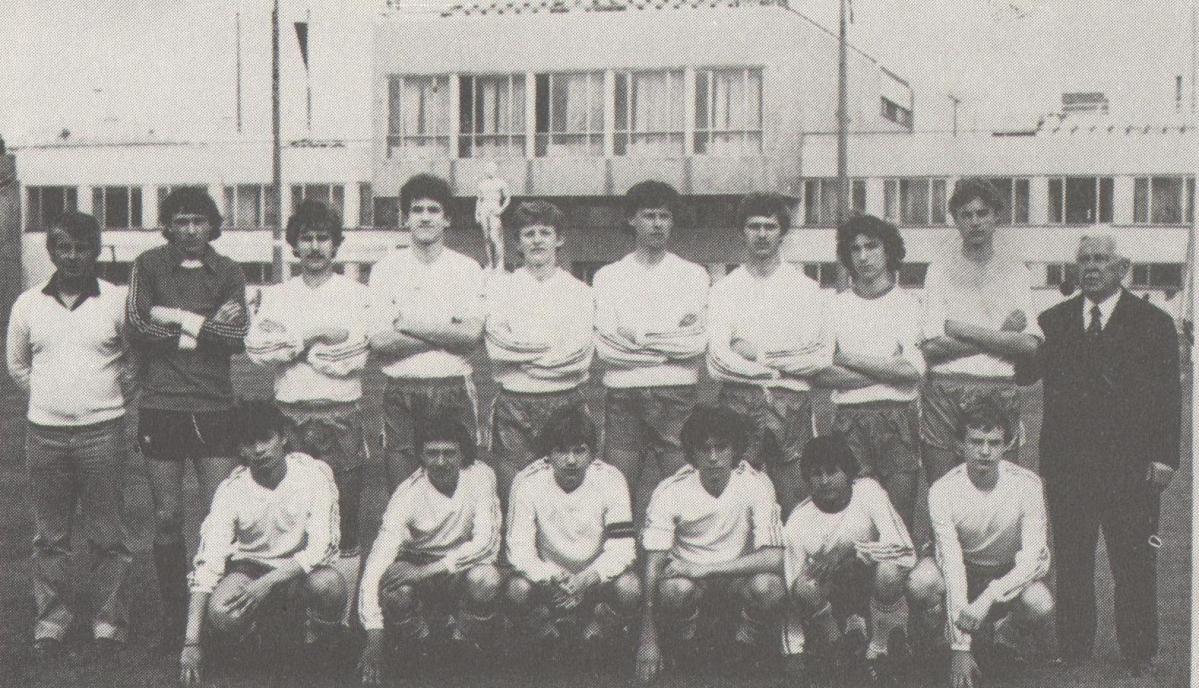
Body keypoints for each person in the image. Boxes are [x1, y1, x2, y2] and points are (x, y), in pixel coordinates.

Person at [1030, 234, 1179, 675]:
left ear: (1122, 267)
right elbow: (1023, 374)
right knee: (1073, 561)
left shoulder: (1153, 323)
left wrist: (1165, 458)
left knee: (1133, 561)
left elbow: (1169, 396)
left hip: (1130, 467)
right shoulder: (1053, 321)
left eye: (1101, 259)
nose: (1091, 267)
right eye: (1084, 260)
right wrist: (1010, 330)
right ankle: (1074, 647)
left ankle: (1138, 651)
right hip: (1068, 466)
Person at [6, 212, 134, 662]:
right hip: (45, 435)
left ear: (95, 251)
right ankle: (51, 623)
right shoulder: (27, 304)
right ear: (52, 251)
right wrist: (51, 399)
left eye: (82, 248)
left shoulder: (117, 300)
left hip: (103, 433)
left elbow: (133, 362)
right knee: (50, 537)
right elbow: (18, 365)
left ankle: (108, 624)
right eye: (64, 247)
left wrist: (102, 401)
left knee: (108, 536)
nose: (73, 256)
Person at [125, 187, 249, 652]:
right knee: (167, 516)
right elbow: (139, 327)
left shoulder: (229, 270)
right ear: (168, 226)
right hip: (162, 407)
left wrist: (175, 318)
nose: (191, 229)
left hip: (216, 408)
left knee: (219, 517)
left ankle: (218, 614)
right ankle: (175, 617)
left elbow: (235, 338)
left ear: (212, 226)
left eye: (199, 221)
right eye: (181, 221)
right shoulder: (148, 265)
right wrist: (203, 325)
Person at [245, 199, 369, 599]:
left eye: (323, 238)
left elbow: (353, 357)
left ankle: (342, 610)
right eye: (307, 238)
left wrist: (293, 347)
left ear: (336, 244)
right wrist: (315, 338)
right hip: (289, 417)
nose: (315, 247)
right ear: (294, 244)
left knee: (344, 517)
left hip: (340, 415)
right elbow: (261, 351)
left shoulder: (356, 294)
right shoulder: (278, 295)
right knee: (292, 516)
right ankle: (294, 606)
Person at [178, 401, 344, 687]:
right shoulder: (231, 490)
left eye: (266, 438)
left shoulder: (314, 474)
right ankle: (256, 636)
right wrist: (191, 642)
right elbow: (208, 562)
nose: (259, 450)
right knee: (221, 611)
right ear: (240, 449)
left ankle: (320, 644)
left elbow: (322, 547)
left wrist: (267, 583)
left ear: (283, 437)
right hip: (249, 569)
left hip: (298, 571)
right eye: (249, 443)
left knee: (330, 585)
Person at [907, 398, 1053, 688]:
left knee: (1040, 601)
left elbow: (1032, 561)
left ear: (1007, 445)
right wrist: (960, 648)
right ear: (960, 445)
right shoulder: (943, 490)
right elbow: (952, 564)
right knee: (921, 581)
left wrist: (988, 598)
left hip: (1006, 573)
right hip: (964, 569)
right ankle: (940, 644)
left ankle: (1004, 638)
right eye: (976, 442)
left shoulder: (1028, 485)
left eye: (994, 443)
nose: (985, 451)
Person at [635, 406, 785, 685]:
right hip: (691, 585)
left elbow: (775, 557)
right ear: (692, 453)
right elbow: (653, 564)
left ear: (735, 449)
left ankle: (744, 642)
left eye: (722, 447)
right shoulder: (670, 490)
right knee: (673, 589)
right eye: (705, 449)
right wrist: (648, 635)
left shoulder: (756, 484)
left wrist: (705, 568)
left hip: (734, 582)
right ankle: (688, 644)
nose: (713, 457)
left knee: (770, 586)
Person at [708, 193, 831, 518]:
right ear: (742, 231)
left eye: (770, 226)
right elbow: (718, 363)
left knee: (796, 502)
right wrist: (786, 363)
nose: (762, 234)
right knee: (733, 503)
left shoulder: (806, 289)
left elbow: (819, 357)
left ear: (782, 231)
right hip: (738, 402)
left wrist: (756, 355)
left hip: (791, 404)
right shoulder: (723, 290)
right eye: (754, 226)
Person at [593, 181, 709, 522]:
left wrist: (636, 337)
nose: (657, 224)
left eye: (664, 216)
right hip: (623, 395)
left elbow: (695, 344)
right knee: (617, 490)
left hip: (677, 394)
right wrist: (668, 341)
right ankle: (622, 551)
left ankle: (680, 552)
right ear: (632, 219)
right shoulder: (609, 276)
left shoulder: (693, 275)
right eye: (649, 216)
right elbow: (607, 349)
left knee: (684, 489)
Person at [357, 418, 503, 686]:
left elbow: (486, 543)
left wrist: (424, 572)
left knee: (487, 578)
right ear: (421, 456)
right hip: (419, 563)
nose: (441, 462)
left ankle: (463, 644)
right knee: (394, 585)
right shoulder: (406, 495)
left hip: (457, 568)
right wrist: (374, 635)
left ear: (462, 454)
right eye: (432, 454)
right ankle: (421, 646)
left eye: (449, 453)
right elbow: (376, 563)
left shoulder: (481, 476)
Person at [918, 178, 1042, 484]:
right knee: (943, 488)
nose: (975, 222)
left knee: (1000, 491)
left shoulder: (1015, 271)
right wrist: (1001, 335)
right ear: (956, 219)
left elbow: (1029, 345)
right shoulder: (939, 270)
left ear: (996, 216)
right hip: (946, 389)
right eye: (966, 215)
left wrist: (959, 329)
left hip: (998, 387)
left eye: (982, 213)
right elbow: (932, 348)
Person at [368, 174, 486, 492]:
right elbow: (380, 341)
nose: (424, 217)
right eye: (416, 209)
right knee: (403, 490)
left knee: (459, 488)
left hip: (452, 386)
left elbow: (470, 336)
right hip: (402, 389)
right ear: (405, 217)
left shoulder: (466, 269)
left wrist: (409, 326)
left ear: (447, 218)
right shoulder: (385, 269)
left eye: (433, 210)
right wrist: (445, 334)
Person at [815, 215, 926, 528]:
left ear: (888, 250)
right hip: (848, 420)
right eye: (855, 249)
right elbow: (821, 373)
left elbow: (912, 370)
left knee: (898, 524)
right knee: (854, 522)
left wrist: (847, 358)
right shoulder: (834, 306)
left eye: (871, 246)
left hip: (898, 418)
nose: (863, 256)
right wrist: (887, 369)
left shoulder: (908, 304)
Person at [780, 435, 916, 684]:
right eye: (816, 474)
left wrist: (849, 550)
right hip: (834, 596)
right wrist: (793, 650)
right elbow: (793, 594)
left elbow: (903, 550)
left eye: (832, 472)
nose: (824, 481)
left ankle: (880, 648)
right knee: (805, 584)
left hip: (872, 585)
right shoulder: (798, 522)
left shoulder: (869, 491)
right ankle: (838, 646)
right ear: (807, 479)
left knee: (889, 571)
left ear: (849, 472)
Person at [484, 200, 594, 503]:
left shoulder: (579, 291)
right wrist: (549, 350)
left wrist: (524, 356)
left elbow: (578, 357)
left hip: (566, 401)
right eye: (528, 233)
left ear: (559, 239)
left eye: (544, 232)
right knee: (514, 497)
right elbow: (497, 349)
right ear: (518, 242)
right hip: (514, 403)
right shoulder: (500, 289)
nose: (536, 240)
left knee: (567, 498)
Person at [504, 404, 639, 650]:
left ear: (592, 454)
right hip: (549, 585)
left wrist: (587, 579)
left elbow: (623, 548)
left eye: (579, 451)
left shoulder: (611, 479)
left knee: (629, 587)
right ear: (548, 454)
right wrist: (551, 576)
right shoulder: (527, 482)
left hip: (595, 582)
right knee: (517, 589)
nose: (571, 461)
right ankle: (547, 633)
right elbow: (519, 551)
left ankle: (596, 630)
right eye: (561, 451)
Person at [475, 161, 511, 271]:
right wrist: (477, 213)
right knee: (486, 238)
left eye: (492, 169)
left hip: (494, 208)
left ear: (495, 170)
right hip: (484, 209)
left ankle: (500, 264)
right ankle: (490, 263)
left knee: (495, 237)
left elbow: (508, 198)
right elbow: (479, 200)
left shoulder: (501, 183)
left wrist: (501, 209)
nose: (490, 171)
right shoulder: (482, 183)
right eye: (488, 169)